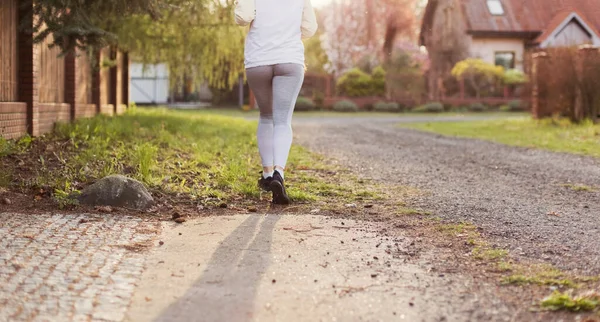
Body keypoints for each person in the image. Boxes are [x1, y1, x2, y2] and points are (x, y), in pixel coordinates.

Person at [234, 0, 318, 204]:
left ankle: (267, 174)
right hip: (289, 59)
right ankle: (279, 173)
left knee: (266, 116)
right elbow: (310, 28)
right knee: (282, 120)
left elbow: (242, 18)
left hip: (259, 60)